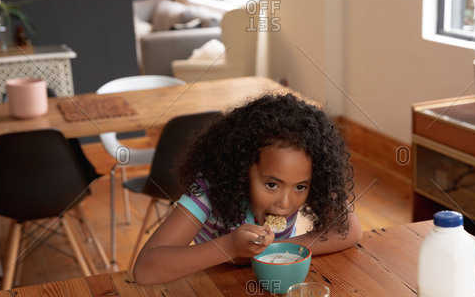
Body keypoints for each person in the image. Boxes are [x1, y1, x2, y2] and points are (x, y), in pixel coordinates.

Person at [133, 93, 362, 285]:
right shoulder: (208, 192)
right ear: (242, 168)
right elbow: (146, 269)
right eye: (271, 184)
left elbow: (350, 231)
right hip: (215, 287)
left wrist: (274, 249)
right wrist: (229, 247)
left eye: (300, 187)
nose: (285, 202)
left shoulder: (307, 176)